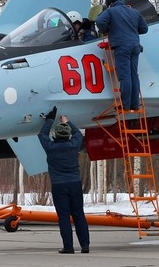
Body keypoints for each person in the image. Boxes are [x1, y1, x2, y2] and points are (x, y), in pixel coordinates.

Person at [38, 106, 90, 254]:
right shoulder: (74, 145)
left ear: (56, 136)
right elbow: (78, 134)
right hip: (75, 184)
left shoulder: (50, 147)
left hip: (59, 186)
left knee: (64, 218)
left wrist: (49, 120)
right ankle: (85, 245)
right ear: (68, 135)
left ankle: (68, 247)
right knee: (79, 214)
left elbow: (42, 134)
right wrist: (67, 122)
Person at [95, 0, 148, 111]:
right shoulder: (134, 12)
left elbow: (99, 21)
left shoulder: (111, 11)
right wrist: (131, 30)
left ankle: (126, 105)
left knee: (124, 76)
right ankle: (135, 104)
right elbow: (144, 29)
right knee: (134, 75)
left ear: (110, 4)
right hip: (135, 46)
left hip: (122, 46)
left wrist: (106, 29)